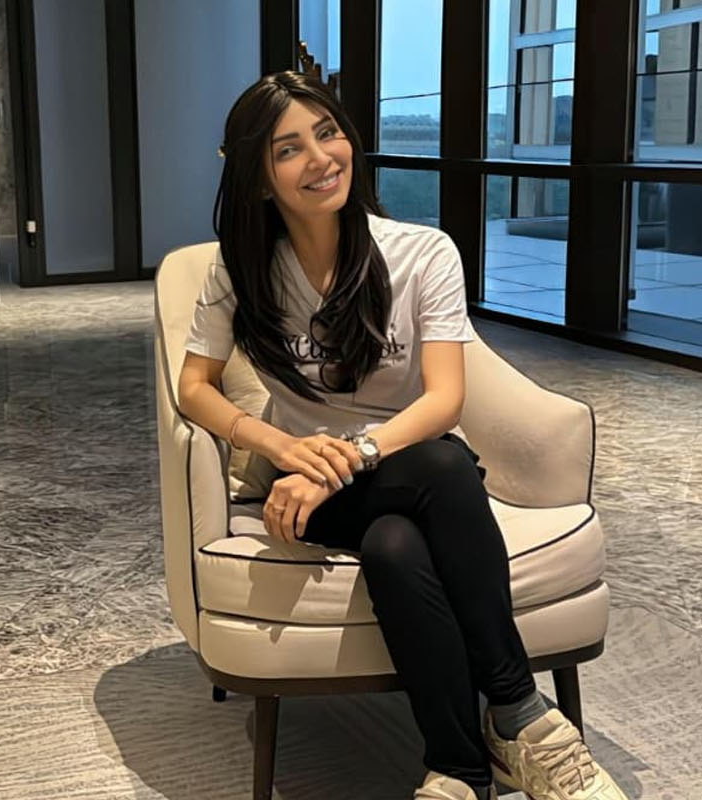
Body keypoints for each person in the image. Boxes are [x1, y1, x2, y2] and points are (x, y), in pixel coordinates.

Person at [174, 71, 628, 800]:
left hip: (396, 468)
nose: (320, 158)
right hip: (312, 490)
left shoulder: (422, 253)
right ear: (259, 176)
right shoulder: (240, 269)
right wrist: (282, 450)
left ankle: (460, 770)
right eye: (289, 149)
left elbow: (445, 400)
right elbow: (193, 386)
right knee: (443, 474)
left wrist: (348, 457)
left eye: (328, 133)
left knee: (396, 542)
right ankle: (519, 713)